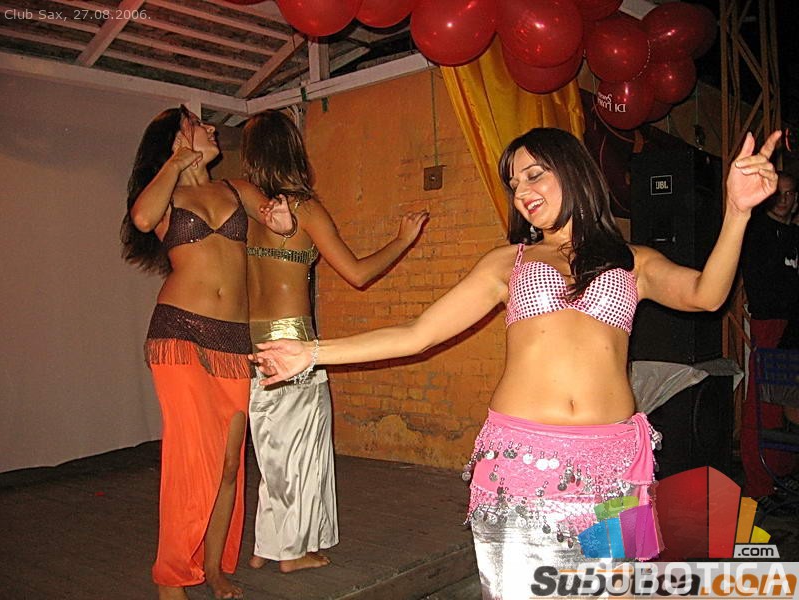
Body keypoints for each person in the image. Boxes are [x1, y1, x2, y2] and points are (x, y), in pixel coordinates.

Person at [251, 127, 780, 598]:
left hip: (617, 468)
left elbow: (707, 294)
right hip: (523, 466)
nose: (522, 191)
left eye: (534, 174)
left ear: (573, 172)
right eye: (513, 183)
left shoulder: (633, 261)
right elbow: (417, 334)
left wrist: (737, 212)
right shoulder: (508, 263)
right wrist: (313, 353)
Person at [239, 110, 429, 573]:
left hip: (254, 339)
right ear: (293, 149)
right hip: (294, 340)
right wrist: (402, 240)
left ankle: (267, 545)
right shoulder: (304, 208)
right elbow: (358, 273)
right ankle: (293, 552)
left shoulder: (244, 204)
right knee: (301, 448)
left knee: (272, 447)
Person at [121, 106, 292, 600]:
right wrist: (176, 163)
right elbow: (142, 218)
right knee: (191, 458)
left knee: (229, 464)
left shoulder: (236, 190)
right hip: (180, 335)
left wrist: (281, 220)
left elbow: (277, 219)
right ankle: (171, 576)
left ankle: (213, 568)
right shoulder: (168, 195)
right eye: (197, 124)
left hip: (232, 341)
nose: (211, 128)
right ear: (175, 139)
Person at [741, 171, 799, 496]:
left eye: (789, 194)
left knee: (788, 405)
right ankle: (760, 484)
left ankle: (781, 475)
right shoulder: (757, 231)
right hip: (770, 326)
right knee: (764, 404)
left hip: (793, 327)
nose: (783, 200)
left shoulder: (794, 234)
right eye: (778, 193)